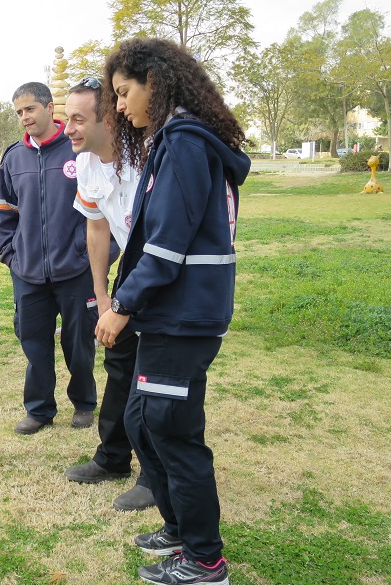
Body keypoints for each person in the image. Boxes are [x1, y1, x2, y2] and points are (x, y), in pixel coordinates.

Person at [97, 39, 250, 585]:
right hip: (169, 315)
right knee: (143, 420)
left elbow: (166, 246)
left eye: (123, 92)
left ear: (154, 83)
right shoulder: (173, 141)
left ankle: (205, 560)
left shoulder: (184, 143)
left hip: (182, 315)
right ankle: (181, 527)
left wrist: (122, 306)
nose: (117, 106)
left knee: (172, 431)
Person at [63, 77, 155, 512]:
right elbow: (97, 227)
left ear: (109, 118)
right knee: (119, 366)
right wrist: (103, 298)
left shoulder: (153, 155)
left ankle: (156, 476)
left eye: (78, 119)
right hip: (127, 276)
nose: (68, 129)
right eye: (67, 118)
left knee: (156, 377)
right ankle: (113, 457)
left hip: (165, 277)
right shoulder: (85, 164)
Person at [0, 81, 98, 435]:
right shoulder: (12, 158)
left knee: (79, 342)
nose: (24, 117)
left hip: (75, 270)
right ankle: (39, 409)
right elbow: (5, 212)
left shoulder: (78, 150)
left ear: (49, 108)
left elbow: (104, 212)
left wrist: (91, 255)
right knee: (34, 344)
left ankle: (84, 404)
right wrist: (11, 254)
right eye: (19, 112)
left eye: (30, 109)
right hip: (29, 273)